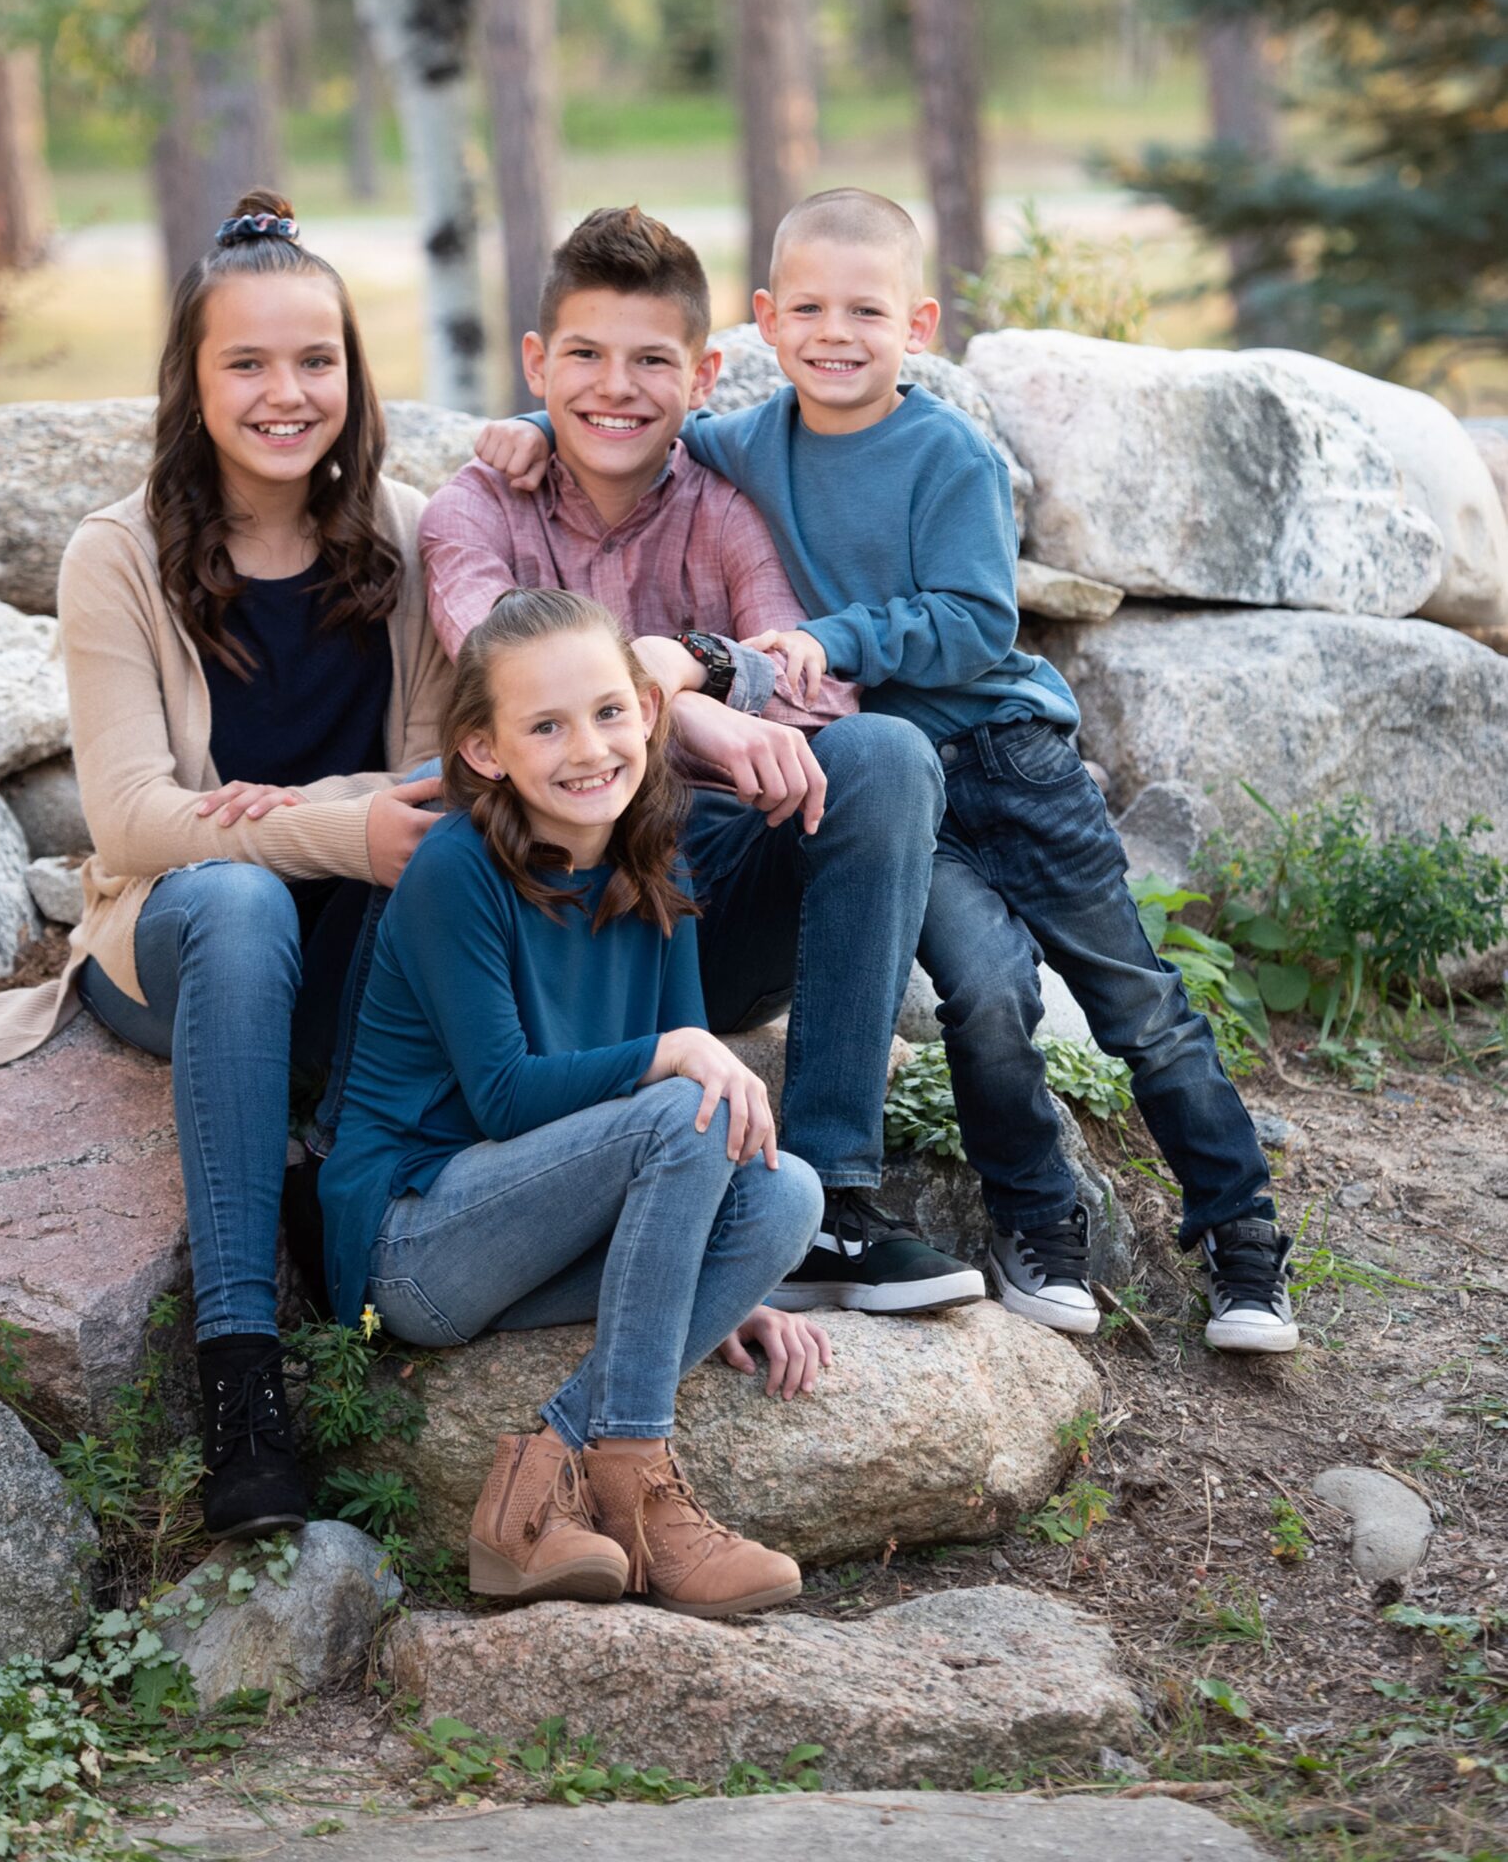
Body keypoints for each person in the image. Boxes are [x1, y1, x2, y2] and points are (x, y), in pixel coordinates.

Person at [484, 188, 1297, 1356]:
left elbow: (974, 618)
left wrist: (830, 642)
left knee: (1134, 1001)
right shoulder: (739, 439)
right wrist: (522, 427)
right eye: (806, 307)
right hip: (896, 786)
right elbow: (625, 407)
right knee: (982, 993)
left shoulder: (946, 455)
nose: (833, 332)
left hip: (1007, 761)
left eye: (864, 310)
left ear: (914, 324)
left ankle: (1241, 1234)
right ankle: (1035, 1221)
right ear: (764, 321)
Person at [0, 189, 452, 1537]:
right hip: (182, 951)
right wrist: (335, 827)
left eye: (317, 360)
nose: (286, 392)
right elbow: (132, 821)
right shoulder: (116, 557)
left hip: (361, 953)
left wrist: (313, 817)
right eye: (246, 362)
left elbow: (432, 781)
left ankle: (347, 1204)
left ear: (353, 376)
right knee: (240, 899)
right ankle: (241, 1383)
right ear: (190, 380)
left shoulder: (408, 537)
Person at [420, 206, 984, 1316]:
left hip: (710, 905)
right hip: (553, 925)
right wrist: (704, 724)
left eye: (649, 361)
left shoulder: (723, 510)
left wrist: (701, 675)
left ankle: (833, 1204)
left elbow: (818, 686)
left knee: (882, 754)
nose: (613, 388)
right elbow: (512, 686)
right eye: (582, 355)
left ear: (705, 372)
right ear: (535, 363)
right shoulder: (472, 511)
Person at [321, 587, 829, 1617]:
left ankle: (537, 1475)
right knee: (684, 1101)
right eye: (544, 725)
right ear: (483, 750)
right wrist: (677, 1051)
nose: (587, 747)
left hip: (545, 1223)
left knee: (785, 1198)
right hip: (415, 1241)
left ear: (647, 711)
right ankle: (642, 1492)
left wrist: (725, 1276)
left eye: (606, 711)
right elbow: (504, 1095)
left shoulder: (654, 854)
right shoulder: (454, 870)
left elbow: (705, 1132)